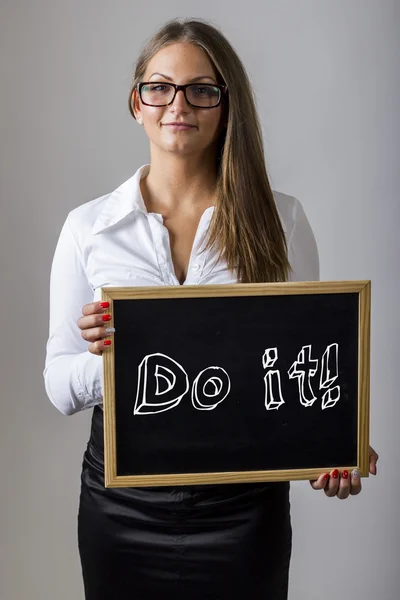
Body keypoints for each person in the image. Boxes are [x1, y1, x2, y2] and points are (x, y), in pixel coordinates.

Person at [43, 18, 378, 600]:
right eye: (160, 87)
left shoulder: (282, 219)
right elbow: (56, 383)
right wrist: (112, 359)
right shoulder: (88, 227)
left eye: (202, 89)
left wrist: (334, 444)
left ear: (227, 106)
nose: (179, 104)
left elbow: (307, 368)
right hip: (120, 506)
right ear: (136, 104)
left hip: (244, 510)